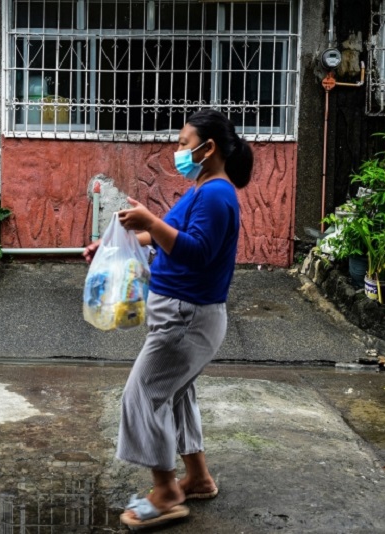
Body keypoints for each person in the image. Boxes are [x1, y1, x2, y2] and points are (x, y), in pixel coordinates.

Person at [83, 109, 253, 529]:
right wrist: (111, 245)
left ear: (207, 148)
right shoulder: (199, 190)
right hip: (180, 316)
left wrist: (151, 221)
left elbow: (196, 251)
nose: (177, 150)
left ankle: (166, 492)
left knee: (142, 396)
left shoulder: (217, 196)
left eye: (182, 143)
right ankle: (197, 477)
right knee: (175, 395)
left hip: (188, 320)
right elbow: (160, 233)